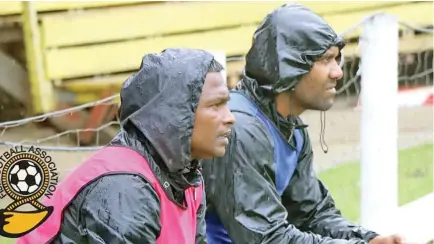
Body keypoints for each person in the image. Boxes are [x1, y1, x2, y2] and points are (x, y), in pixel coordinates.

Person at [202, 4, 403, 244]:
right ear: (290, 65)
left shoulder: (290, 127)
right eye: (326, 60)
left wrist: (368, 239)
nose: (338, 72)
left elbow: (311, 214)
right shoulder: (239, 129)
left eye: (337, 59)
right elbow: (266, 239)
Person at [16, 48, 235, 244]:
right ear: (176, 114)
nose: (230, 118)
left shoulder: (186, 174)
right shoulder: (125, 189)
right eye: (215, 105)